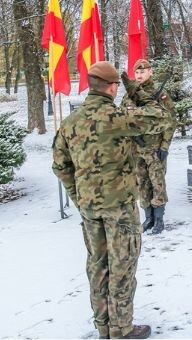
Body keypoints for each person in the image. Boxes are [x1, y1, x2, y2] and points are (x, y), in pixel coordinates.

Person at [52, 61, 173, 339]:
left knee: (98, 265)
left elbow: (60, 166)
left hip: (90, 210)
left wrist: (80, 197)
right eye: (118, 85)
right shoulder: (117, 118)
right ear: (112, 87)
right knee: (122, 265)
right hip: (119, 208)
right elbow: (162, 117)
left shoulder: (71, 123)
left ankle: (104, 327)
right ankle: (122, 329)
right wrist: (139, 91)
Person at [121, 59, 176, 235]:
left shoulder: (160, 94)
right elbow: (121, 117)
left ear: (150, 72)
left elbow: (170, 121)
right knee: (142, 183)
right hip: (136, 148)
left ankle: (159, 218)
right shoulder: (129, 95)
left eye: (142, 72)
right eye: (136, 72)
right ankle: (148, 217)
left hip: (155, 148)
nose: (139, 75)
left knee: (157, 182)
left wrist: (165, 146)